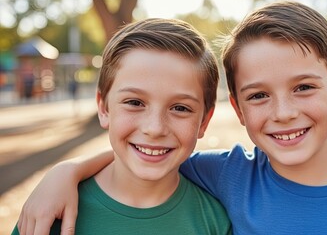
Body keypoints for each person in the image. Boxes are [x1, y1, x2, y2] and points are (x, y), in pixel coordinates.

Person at [17, 1, 327, 235]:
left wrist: (65, 170)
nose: (284, 113)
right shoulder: (227, 176)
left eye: (304, 87)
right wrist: (65, 172)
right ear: (237, 109)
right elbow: (151, 153)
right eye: (258, 95)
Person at [13, 17, 231, 235]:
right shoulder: (49, 213)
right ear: (103, 108)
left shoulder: (214, 221)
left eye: (180, 108)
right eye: (134, 103)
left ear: (204, 121)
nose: (154, 128)